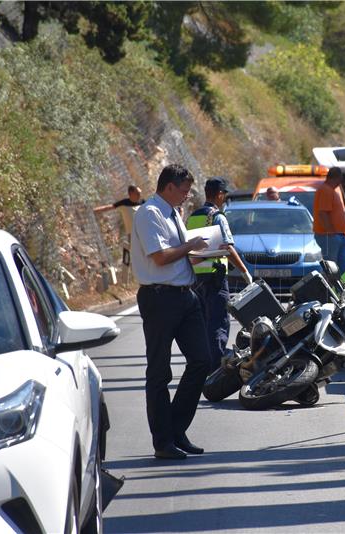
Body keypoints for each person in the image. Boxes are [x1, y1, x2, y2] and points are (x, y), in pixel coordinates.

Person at [130, 164, 210, 460]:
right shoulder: (149, 213)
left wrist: (208, 252)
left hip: (185, 295)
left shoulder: (173, 211)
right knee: (159, 371)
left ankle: (176, 429)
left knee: (202, 360)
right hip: (159, 297)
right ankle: (163, 441)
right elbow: (161, 257)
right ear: (169, 187)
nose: (188, 197)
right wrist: (190, 246)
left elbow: (180, 253)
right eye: (185, 191)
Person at [186, 177, 252, 372]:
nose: (225, 199)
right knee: (218, 323)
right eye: (225, 195)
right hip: (215, 277)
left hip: (196, 279)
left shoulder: (193, 216)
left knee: (204, 323)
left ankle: (203, 364)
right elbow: (228, 248)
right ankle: (215, 368)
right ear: (219, 194)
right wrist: (244, 271)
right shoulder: (218, 216)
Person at [313, 167, 345, 274]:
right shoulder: (325, 190)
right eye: (340, 178)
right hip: (329, 236)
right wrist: (331, 232)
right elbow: (322, 213)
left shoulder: (330, 190)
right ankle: (326, 290)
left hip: (338, 235)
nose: (341, 181)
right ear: (337, 177)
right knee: (330, 268)